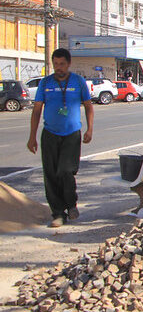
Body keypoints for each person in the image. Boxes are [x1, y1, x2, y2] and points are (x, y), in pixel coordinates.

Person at [27, 48, 94, 228]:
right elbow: (36, 110)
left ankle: (71, 204)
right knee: (50, 175)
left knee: (65, 170)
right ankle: (58, 213)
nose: (59, 67)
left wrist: (89, 129)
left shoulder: (78, 81)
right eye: (56, 64)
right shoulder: (45, 83)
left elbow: (88, 106)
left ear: (69, 64)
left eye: (62, 64)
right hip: (50, 134)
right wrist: (32, 137)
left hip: (71, 134)